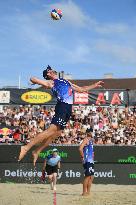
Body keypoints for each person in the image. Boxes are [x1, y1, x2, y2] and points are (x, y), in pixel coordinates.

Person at [18, 65, 104, 165]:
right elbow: (32, 78)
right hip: (62, 106)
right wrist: (36, 81)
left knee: (58, 133)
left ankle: (37, 150)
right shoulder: (51, 82)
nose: (52, 71)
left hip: (68, 108)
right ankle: (26, 147)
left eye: (51, 70)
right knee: (51, 130)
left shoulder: (65, 81)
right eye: (49, 71)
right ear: (48, 74)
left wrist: (94, 85)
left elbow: (81, 89)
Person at [79, 128, 94, 196]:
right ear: (88, 133)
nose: (92, 133)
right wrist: (83, 157)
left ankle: (88, 192)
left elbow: (91, 151)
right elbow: (80, 148)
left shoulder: (91, 140)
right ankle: (84, 192)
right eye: (91, 132)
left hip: (91, 161)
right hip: (87, 160)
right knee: (87, 176)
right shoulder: (86, 139)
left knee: (91, 177)